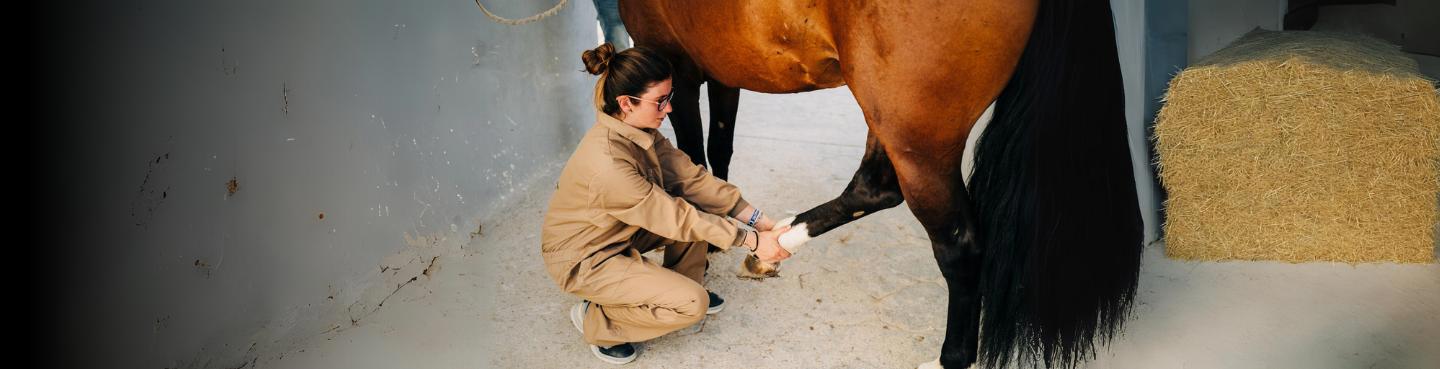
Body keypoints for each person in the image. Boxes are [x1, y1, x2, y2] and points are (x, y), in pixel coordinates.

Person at [540, 43, 792, 365]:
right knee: (692, 304)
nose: (669, 109)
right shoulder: (608, 164)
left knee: (699, 207)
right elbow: (675, 218)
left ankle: (680, 286)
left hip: (617, 233)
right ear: (626, 103)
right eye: (660, 101)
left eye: (669, 98)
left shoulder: (639, 131)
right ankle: (598, 320)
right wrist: (753, 242)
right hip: (584, 257)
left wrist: (759, 220)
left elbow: (691, 179)